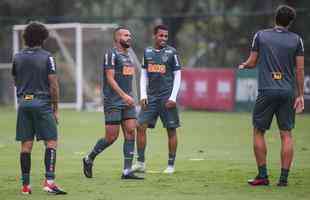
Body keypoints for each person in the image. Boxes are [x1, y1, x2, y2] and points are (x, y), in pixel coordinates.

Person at [239, 5, 304, 186]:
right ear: (290, 22)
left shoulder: (261, 35)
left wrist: (243, 65)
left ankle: (263, 176)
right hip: (287, 92)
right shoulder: (297, 40)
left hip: (267, 91)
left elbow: (252, 62)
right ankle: (283, 180)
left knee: (259, 131)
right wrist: (299, 95)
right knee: (286, 134)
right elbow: (299, 69)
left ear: (275, 18)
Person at [12, 22, 67, 195]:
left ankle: (26, 186)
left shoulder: (17, 56)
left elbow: (15, 81)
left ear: (26, 37)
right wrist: (55, 108)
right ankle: (49, 182)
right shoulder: (47, 57)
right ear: (43, 38)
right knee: (51, 142)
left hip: (23, 104)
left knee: (26, 146)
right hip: (42, 103)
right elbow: (54, 84)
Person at [82, 26, 143, 180]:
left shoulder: (129, 56)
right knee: (111, 137)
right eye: (125, 35)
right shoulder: (111, 54)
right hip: (113, 101)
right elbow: (110, 78)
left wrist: (132, 97)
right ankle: (89, 158)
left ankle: (127, 171)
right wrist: (123, 95)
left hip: (127, 101)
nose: (129, 37)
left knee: (130, 132)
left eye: (130, 35)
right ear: (117, 38)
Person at [132, 25, 182, 174]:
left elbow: (178, 75)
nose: (163, 39)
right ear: (155, 36)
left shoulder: (172, 53)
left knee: (171, 130)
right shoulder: (147, 52)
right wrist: (143, 95)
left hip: (167, 97)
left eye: (166, 36)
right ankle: (141, 163)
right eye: (161, 36)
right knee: (140, 126)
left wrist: (173, 97)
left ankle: (171, 165)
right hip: (151, 98)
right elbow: (143, 75)